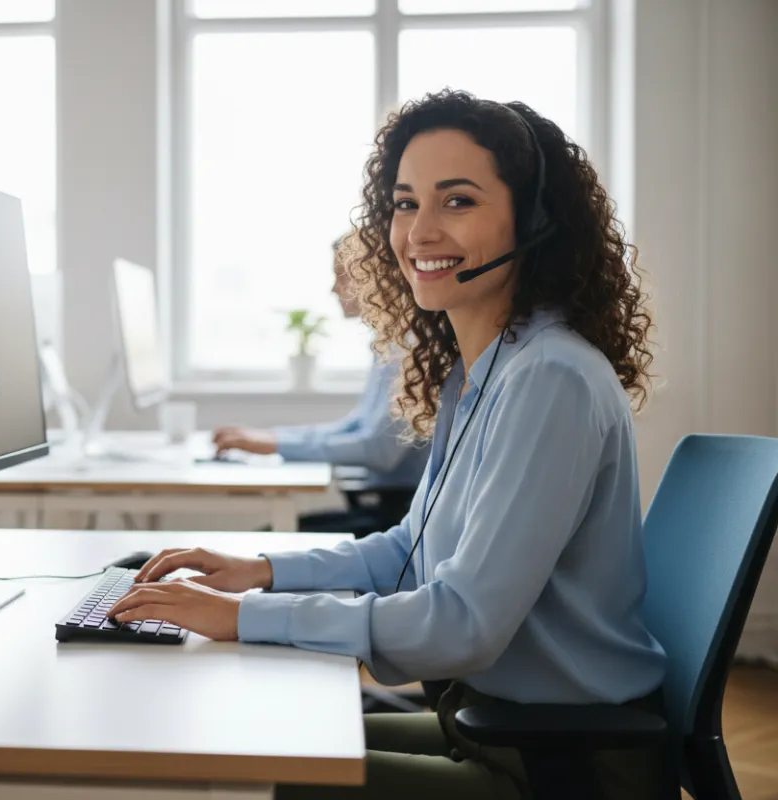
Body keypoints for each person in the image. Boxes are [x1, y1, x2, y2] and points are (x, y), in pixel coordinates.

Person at [109, 89, 667, 799]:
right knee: (244, 740)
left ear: (534, 222)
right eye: (406, 203)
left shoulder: (550, 379)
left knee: (238, 774)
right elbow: (410, 548)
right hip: (494, 726)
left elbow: (463, 624)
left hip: (558, 765)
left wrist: (245, 620)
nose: (420, 231)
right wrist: (258, 572)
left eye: (457, 201)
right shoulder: (489, 367)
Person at [212, 232, 428, 535]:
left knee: (262, 538)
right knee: (263, 538)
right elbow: (355, 426)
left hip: (397, 518)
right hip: (381, 508)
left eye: (342, 277)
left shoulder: (412, 349)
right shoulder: (391, 344)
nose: (333, 289)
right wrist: (269, 438)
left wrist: (273, 443)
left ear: (377, 277)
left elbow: (379, 449)